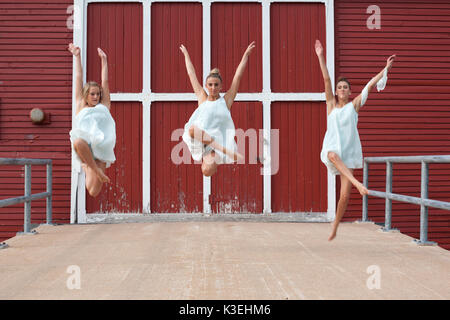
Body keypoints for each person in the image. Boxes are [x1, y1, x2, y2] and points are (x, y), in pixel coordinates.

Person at [314, 39, 395, 241]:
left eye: (345, 87)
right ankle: (358, 183)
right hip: (332, 149)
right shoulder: (331, 105)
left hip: (348, 153)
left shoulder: (354, 106)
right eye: (339, 87)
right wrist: (320, 56)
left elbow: (369, 85)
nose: (341, 89)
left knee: (343, 197)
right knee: (331, 154)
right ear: (336, 91)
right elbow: (326, 79)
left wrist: (385, 68)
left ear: (349, 92)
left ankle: (334, 227)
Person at [180, 42, 255, 176]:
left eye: (216, 85)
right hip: (201, 141)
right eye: (210, 85)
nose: (213, 88)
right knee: (191, 130)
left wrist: (246, 55)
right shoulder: (202, 98)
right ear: (206, 86)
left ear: (221, 86)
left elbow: (237, 77)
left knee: (207, 171)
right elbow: (191, 74)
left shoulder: (225, 101)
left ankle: (217, 152)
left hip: (217, 144)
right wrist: (186, 55)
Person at [68, 43, 116, 197]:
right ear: (86, 95)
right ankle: (92, 167)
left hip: (102, 146)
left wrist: (104, 61)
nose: (96, 97)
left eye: (97, 94)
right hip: (86, 144)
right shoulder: (80, 105)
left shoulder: (104, 105)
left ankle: (90, 167)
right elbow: (78, 77)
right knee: (77, 142)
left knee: (93, 191)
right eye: (92, 94)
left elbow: (105, 82)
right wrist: (77, 56)